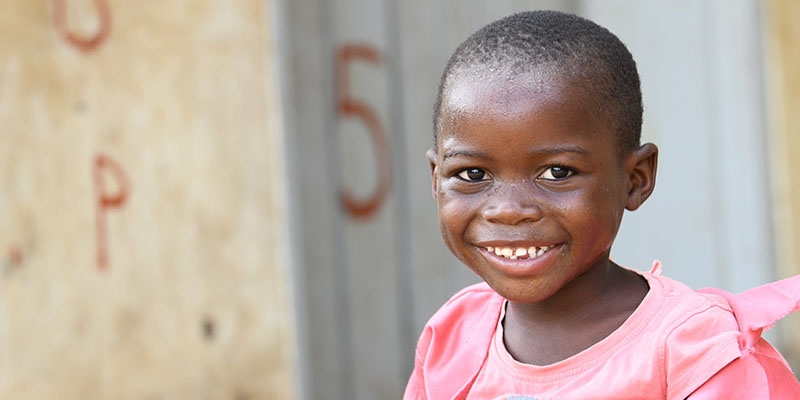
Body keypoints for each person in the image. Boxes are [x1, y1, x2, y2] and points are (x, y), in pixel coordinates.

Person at [404, 10, 800, 399]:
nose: (508, 210)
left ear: (636, 179)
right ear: (436, 180)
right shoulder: (455, 333)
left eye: (557, 172)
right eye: (473, 175)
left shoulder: (692, 352)